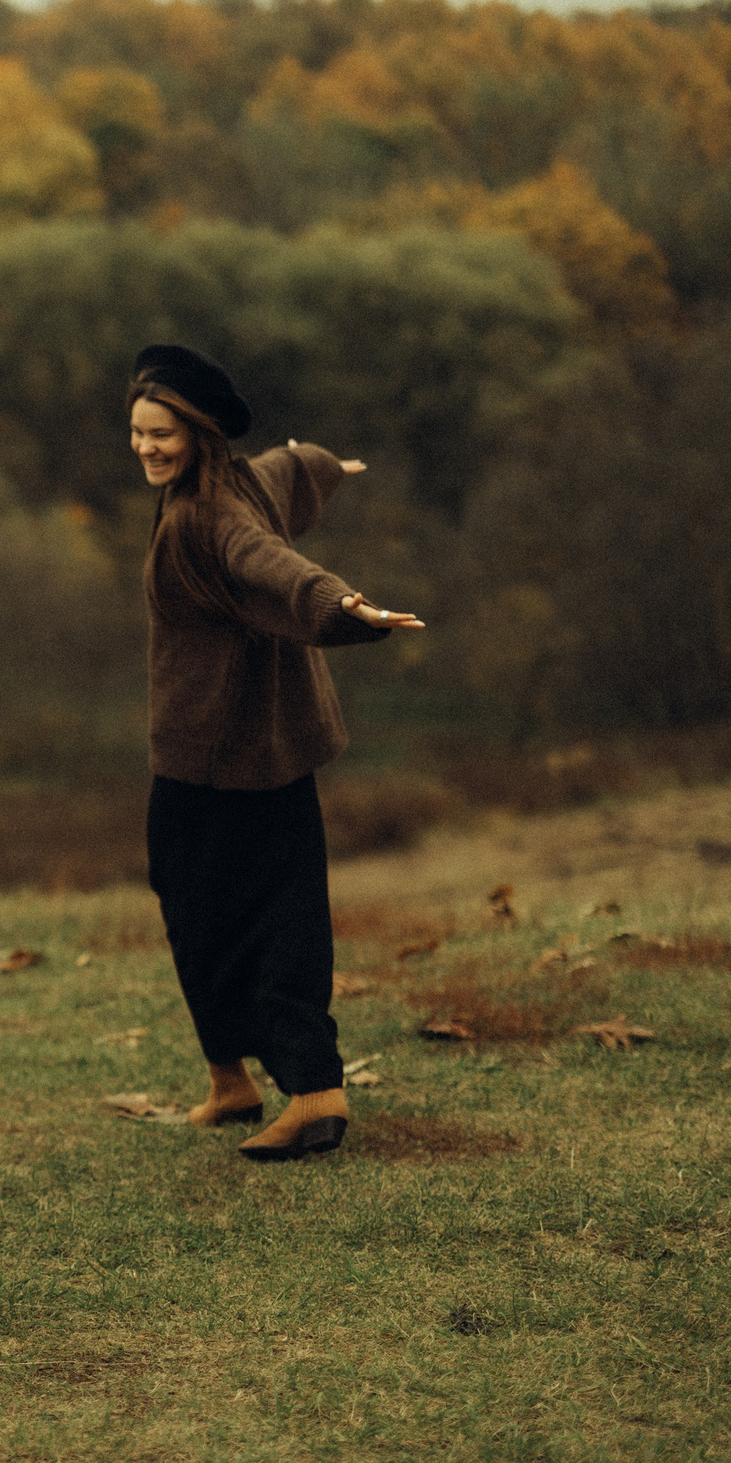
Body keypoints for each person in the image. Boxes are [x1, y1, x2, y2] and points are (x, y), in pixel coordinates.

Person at [128, 344, 424, 1162]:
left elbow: (273, 566)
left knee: (263, 917)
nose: (147, 448)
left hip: (224, 755)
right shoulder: (241, 481)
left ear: (200, 435)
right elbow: (292, 466)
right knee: (212, 902)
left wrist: (339, 602)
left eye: (162, 435)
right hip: (250, 745)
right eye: (138, 433)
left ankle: (314, 1094)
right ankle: (232, 1077)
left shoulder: (208, 515)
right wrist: (337, 464)